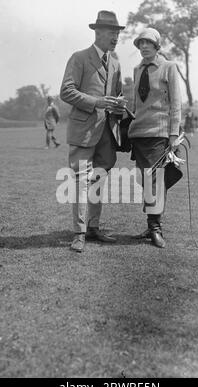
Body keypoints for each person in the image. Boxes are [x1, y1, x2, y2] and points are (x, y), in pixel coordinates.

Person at [60, 10, 125, 252]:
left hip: (106, 133)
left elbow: (116, 95)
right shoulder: (79, 58)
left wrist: (120, 104)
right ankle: (79, 233)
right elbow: (66, 91)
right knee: (80, 182)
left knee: (98, 180)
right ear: (97, 33)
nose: (116, 37)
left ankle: (94, 227)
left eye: (118, 33)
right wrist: (96, 102)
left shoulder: (116, 63)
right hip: (83, 132)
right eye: (112, 32)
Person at [128, 28, 182, 248]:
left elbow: (176, 103)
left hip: (159, 134)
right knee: (146, 181)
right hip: (138, 134)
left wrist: (173, 134)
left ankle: (155, 228)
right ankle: (151, 224)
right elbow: (137, 103)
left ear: (157, 45)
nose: (143, 47)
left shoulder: (168, 67)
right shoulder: (136, 69)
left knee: (156, 181)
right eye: (140, 43)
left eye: (148, 43)